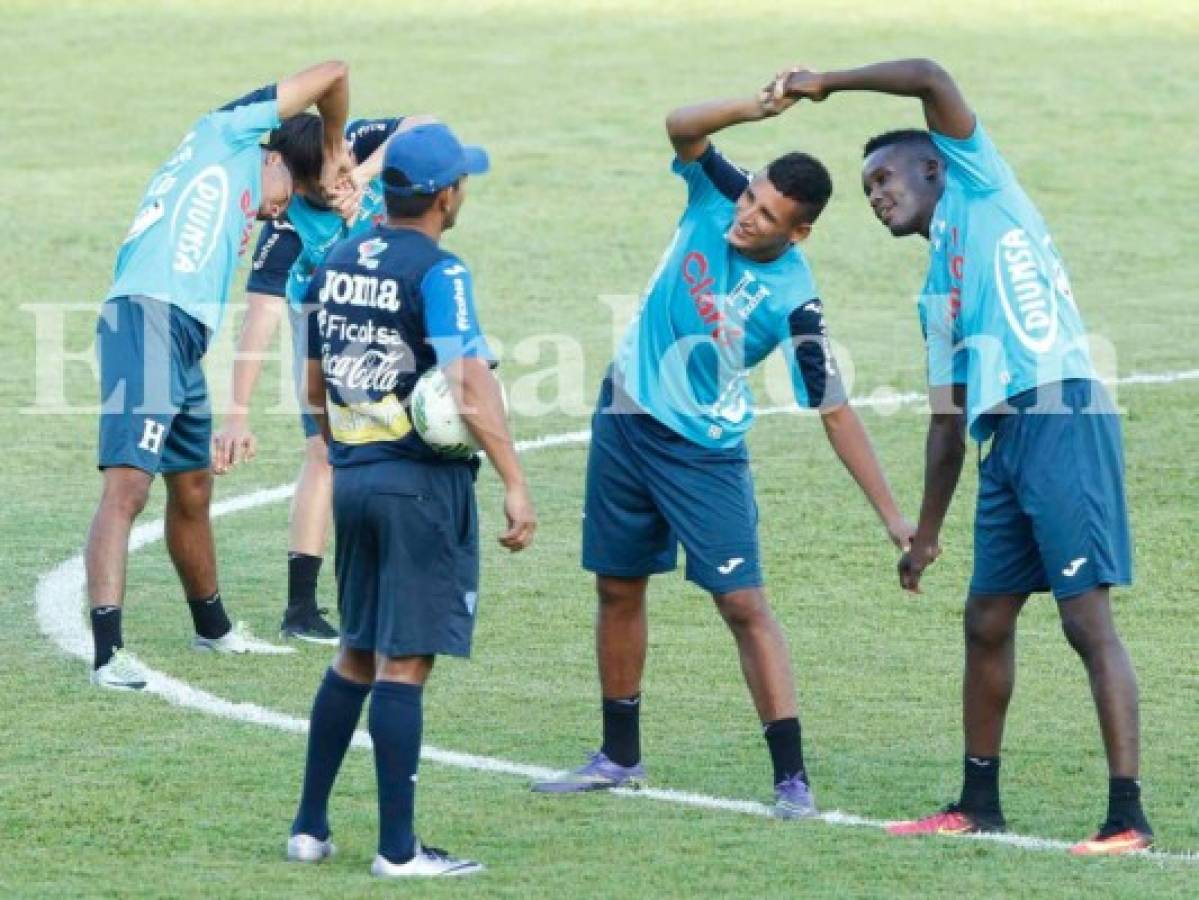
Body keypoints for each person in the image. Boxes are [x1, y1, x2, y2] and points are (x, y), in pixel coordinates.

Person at [778, 58, 1153, 855]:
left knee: (1086, 622)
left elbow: (926, 75)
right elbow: (945, 422)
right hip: (1004, 442)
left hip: (1061, 412)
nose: (877, 193)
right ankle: (978, 803)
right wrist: (924, 534)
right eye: (868, 188)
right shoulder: (933, 295)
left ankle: (1127, 817)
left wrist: (828, 83)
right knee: (985, 620)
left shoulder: (982, 186)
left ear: (934, 166)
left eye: (885, 176)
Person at [530, 76, 913, 818]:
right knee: (616, 586)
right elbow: (679, 123)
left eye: (766, 214)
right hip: (622, 415)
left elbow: (834, 412)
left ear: (797, 232)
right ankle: (618, 755)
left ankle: (791, 779)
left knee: (741, 604)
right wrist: (753, 107)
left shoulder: (795, 304)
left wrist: (892, 517)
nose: (745, 216)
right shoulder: (718, 192)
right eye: (749, 199)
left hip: (702, 453)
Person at [287, 123, 536, 877]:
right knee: (405, 663)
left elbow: (311, 384)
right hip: (418, 488)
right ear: (445, 195)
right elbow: (465, 380)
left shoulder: (333, 260)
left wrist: (345, 449)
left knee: (356, 650)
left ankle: (309, 829)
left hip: (354, 478)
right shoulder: (441, 271)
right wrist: (515, 478)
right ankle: (398, 851)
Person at [86, 61, 355, 690]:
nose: (271, 215)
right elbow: (334, 73)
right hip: (145, 315)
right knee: (128, 487)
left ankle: (214, 629)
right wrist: (337, 141)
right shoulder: (228, 134)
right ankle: (108, 653)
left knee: (194, 488)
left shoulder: (243, 193)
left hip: (181, 335)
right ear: (274, 154)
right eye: (281, 200)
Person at [212, 112, 418, 644]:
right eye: (319, 187)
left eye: (337, 174)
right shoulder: (285, 232)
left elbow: (426, 125)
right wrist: (237, 412)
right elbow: (260, 318)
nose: (334, 189)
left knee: (414, 445)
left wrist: (366, 172)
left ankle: (398, 587)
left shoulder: (354, 144)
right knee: (324, 455)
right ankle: (301, 608)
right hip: (329, 332)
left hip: (397, 316)